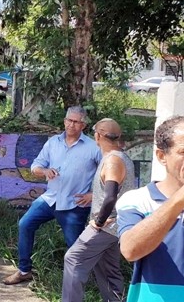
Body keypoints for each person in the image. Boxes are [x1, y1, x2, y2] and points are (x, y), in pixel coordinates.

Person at [3, 106, 102, 285]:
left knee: (74, 244)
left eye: (76, 121)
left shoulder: (93, 147)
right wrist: (44, 171)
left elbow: (107, 173)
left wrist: (93, 195)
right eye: (68, 120)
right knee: (25, 224)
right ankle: (24, 270)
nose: (71, 124)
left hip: (75, 203)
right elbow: (35, 165)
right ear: (64, 121)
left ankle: (82, 280)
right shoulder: (53, 142)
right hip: (50, 198)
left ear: (83, 125)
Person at [62, 118, 136, 302]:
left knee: (73, 259)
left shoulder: (112, 161)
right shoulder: (121, 157)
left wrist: (98, 222)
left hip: (106, 227)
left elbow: (111, 196)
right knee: (107, 270)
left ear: (98, 136)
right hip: (117, 226)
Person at [116, 116, 184, 302]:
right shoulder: (138, 200)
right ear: (162, 156)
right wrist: (178, 201)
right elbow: (130, 250)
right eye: (183, 152)